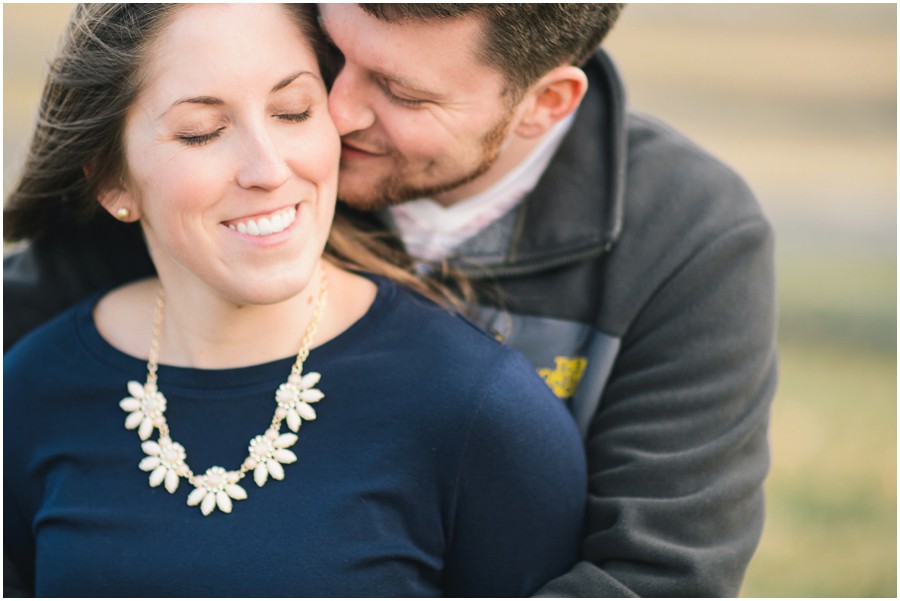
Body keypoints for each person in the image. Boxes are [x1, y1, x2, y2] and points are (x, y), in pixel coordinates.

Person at [3, 3, 780, 598]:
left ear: (544, 104)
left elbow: (654, 579)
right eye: (337, 49)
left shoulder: (690, 237)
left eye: (401, 91)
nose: (336, 110)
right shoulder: (209, 171)